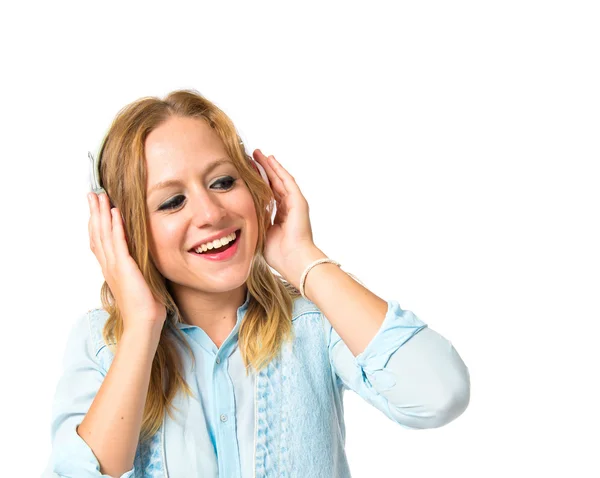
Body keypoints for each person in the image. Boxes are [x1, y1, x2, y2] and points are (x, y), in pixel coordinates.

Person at [42, 89, 471, 477]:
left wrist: (302, 258)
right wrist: (140, 325)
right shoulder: (101, 344)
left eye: (223, 182)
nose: (210, 212)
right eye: (172, 201)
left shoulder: (314, 325)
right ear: (123, 230)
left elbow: (438, 395)